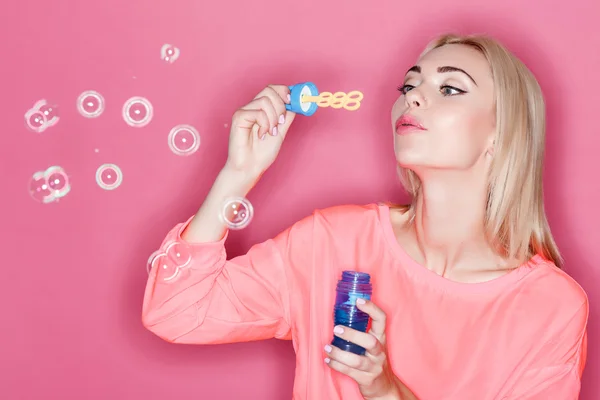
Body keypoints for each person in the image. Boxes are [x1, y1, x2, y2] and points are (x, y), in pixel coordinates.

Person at [142, 33, 589, 399]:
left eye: (449, 88)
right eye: (409, 86)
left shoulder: (549, 307)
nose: (412, 99)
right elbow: (177, 313)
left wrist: (387, 391)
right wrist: (238, 174)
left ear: (500, 132)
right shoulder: (333, 240)